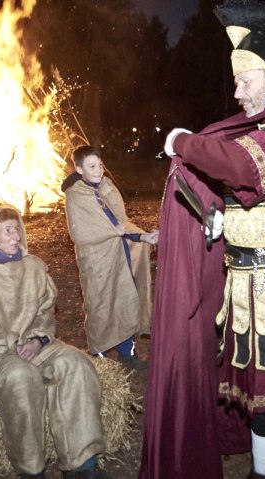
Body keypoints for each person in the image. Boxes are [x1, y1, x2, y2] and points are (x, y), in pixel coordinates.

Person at [140, 1, 265, 478]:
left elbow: (246, 169)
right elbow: (258, 199)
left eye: (244, 80)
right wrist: (223, 225)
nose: (237, 92)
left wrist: (183, 142)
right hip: (257, 283)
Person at [0, 206, 112, 479]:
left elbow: (45, 311)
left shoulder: (33, 267)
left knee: (76, 363)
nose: (16, 236)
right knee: (22, 377)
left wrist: (36, 339)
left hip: (32, 345)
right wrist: (9, 341)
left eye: (18, 229)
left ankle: (82, 462)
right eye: (8, 231)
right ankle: (32, 470)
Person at [63, 145, 158, 370]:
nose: (98, 171)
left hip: (119, 254)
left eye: (100, 165)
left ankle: (127, 352)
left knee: (125, 299)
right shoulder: (76, 196)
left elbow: (120, 223)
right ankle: (100, 356)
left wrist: (143, 237)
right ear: (79, 169)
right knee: (101, 304)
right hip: (96, 260)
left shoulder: (106, 187)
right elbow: (81, 232)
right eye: (91, 166)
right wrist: (114, 231)